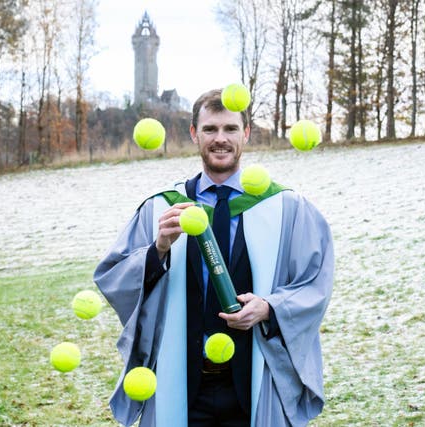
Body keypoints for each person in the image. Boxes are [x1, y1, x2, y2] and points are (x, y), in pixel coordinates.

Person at [94, 89, 334, 427]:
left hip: (254, 377)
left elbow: (315, 283)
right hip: (180, 380)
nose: (220, 139)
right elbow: (113, 275)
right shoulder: (161, 208)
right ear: (194, 134)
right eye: (209, 129)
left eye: (230, 129)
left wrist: (269, 307)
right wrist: (158, 249)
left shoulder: (286, 208)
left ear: (246, 133)